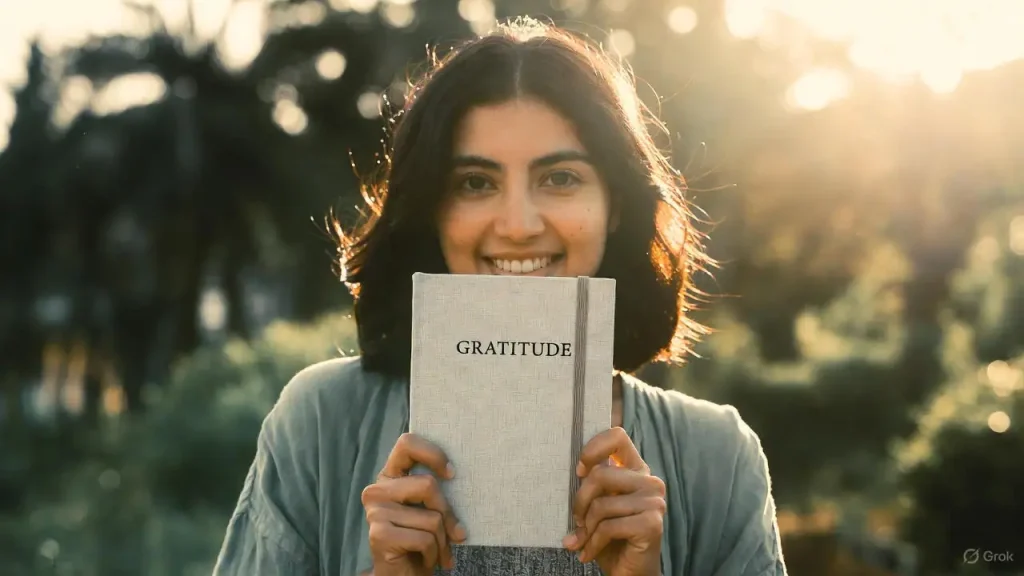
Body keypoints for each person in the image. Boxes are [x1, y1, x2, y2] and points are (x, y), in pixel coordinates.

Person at [213, 16, 788, 576]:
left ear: (616, 207)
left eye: (560, 178)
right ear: (431, 211)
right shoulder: (322, 422)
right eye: (475, 183)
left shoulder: (717, 458)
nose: (516, 225)